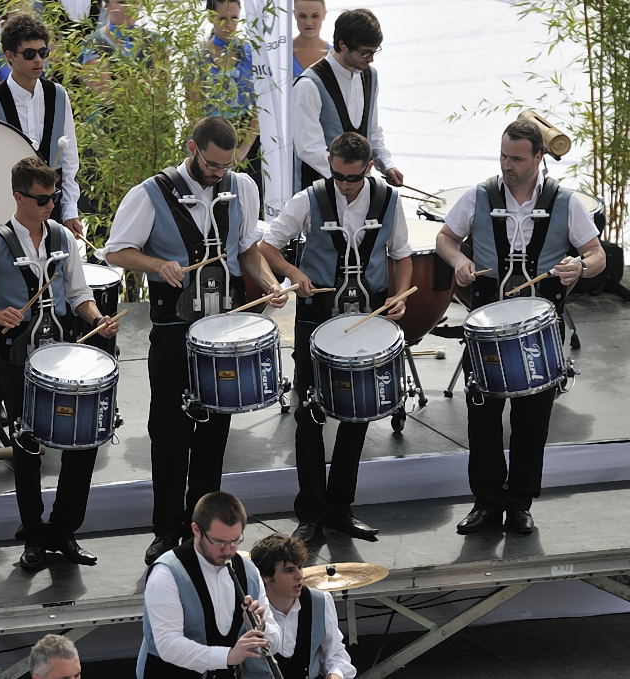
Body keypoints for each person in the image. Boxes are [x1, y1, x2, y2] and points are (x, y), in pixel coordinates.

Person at [102, 116, 287, 565]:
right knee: (168, 433)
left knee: (213, 433)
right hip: (172, 330)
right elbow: (114, 251)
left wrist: (267, 283)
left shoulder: (241, 186)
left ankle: (203, 532)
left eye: (226, 165)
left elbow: (246, 250)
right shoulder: (150, 193)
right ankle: (166, 529)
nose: (218, 173)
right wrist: (155, 264)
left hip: (221, 330)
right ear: (192, 149)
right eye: (211, 164)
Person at [0, 157, 119, 570]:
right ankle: (33, 534)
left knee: (81, 443)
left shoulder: (63, 238)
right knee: (27, 448)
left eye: (54, 198)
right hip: (16, 359)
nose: (49, 206)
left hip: (61, 357)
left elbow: (79, 293)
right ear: (18, 196)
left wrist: (97, 320)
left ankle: (64, 531)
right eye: (42, 199)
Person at [436, 119, 604, 535]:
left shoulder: (566, 201)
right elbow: (445, 238)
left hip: (539, 332)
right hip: (487, 329)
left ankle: (520, 503)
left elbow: (596, 253)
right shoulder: (479, 196)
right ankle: (487, 503)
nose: (506, 165)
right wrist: (458, 261)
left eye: (516, 158)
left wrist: (579, 266)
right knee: (483, 418)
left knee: (532, 422)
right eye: (502, 156)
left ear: (538, 158)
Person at [260, 131, 411, 547]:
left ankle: (341, 508)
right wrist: (294, 275)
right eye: (338, 175)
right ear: (330, 163)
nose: (344, 184)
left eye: (352, 177)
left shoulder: (388, 200)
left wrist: (399, 294)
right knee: (309, 412)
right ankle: (310, 513)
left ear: (368, 168)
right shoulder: (308, 198)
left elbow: (401, 255)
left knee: (356, 412)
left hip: (366, 319)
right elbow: (268, 245)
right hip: (316, 317)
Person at [137, 491, 281, 678]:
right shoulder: (167, 573)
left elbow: (276, 642)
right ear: (196, 530)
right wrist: (228, 656)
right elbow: (168, 645)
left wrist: (262, 629)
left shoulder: (248, 571)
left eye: (235, 541)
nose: (228, 550)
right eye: (219, 541)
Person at [0, 14, 85, 236]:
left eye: (42, 53)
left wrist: (70, 210)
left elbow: (69, 159)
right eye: (29, 54)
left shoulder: (58, 94)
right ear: (10, 56)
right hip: (10, 213)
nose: (38, 60)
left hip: (52, 209)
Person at [292, 8, 402, 193]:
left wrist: (387, 165)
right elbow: (308, 149)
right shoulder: (309, 85)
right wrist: (351, 178)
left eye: (375, 52)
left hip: (359, 189)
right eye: (366, 53)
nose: (372, 59)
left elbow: (372, 132)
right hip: (319, 190)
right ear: (343, 45)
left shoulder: (370, 75)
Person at [250, 533, 356, 679]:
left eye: (300, 567)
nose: (299, 575)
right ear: (265, 577)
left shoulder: (320, 601)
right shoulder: (249, 608)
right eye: (289, 570)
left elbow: (335, 653)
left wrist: (335, 674)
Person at [193, 0, 263, 216]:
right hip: (211, 134)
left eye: (234, 18)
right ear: (210, 18)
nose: (229, 25)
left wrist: (242, 150)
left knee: (250, 205)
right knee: (215, 205)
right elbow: (194, 108)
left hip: (247, 134)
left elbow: (260, 106)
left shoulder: (250, 53)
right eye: (222, 18)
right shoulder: (198, 57)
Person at [292, 0, 330, 77]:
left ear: (324, 14)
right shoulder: (281, 53)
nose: (308, 22)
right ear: (295, 15)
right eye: (302, 16)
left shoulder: (335, 55)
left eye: (315, 16)